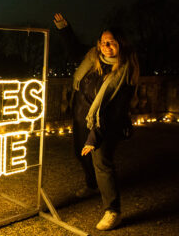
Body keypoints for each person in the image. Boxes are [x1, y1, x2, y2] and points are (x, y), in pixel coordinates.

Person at [53, 13, 139, 231]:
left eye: (111, 42)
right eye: (102, 42)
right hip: (82, 118)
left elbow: (114, 112)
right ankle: (92, 186)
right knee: (79, 154)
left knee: (102, 162)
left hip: (107, 125)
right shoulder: (92, 58)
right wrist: (64, 27)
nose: (106, 46)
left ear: (121, 44)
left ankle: (113, 211)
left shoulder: (126, 73)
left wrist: (95, 137)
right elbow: (73, 50)